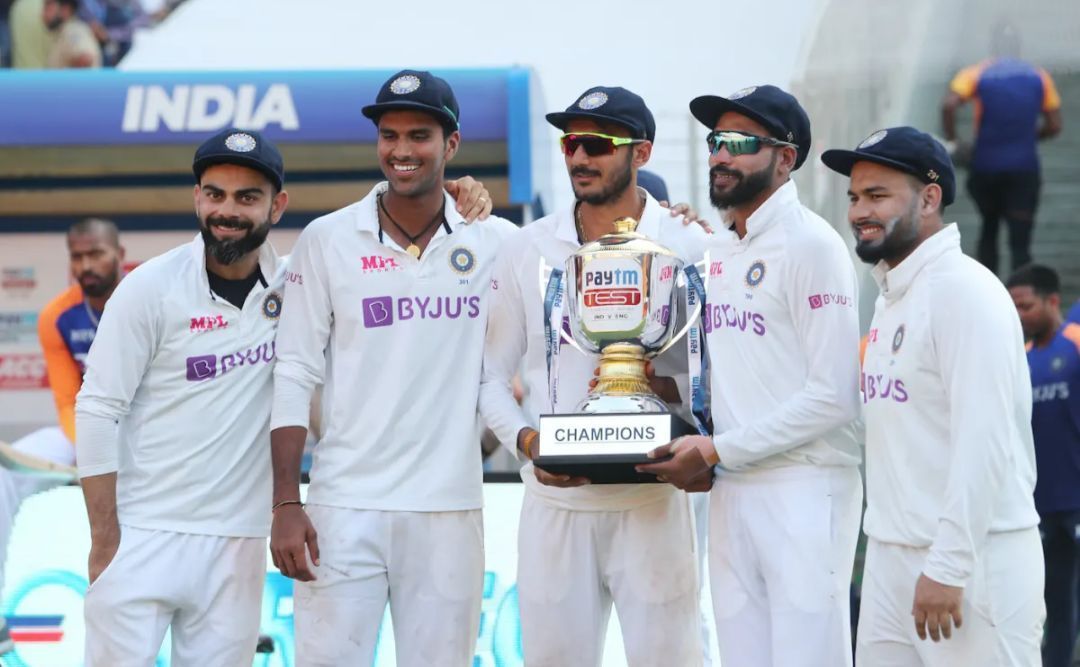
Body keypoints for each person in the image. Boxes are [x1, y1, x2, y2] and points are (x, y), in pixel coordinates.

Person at [268, 69, 516, 667]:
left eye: (419, 135)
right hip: (342, 505)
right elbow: (295, 371)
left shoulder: (498, 242)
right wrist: (284, 504)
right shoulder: (327, 240)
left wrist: (675, 220)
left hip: (447, 507)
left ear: (451, 145)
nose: (402, 150)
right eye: (390, 134)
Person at [480, 85, 707, 666]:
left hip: (652, 502)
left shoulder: (690, 244)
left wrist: (670, 398)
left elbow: (714, 376)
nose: (580, 157)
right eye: (571, 143)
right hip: (556, 507)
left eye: (598, 144)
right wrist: (530, 444)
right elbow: (487, 378)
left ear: (643, 153)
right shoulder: (529, 247)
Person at [638, 84, 863, 667]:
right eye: (716, 141)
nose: (719, 155)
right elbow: (730, 376)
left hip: (804, 487)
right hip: (732, 488)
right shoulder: (719, 253)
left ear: (785, 158)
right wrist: (668, 391)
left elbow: (834, 397)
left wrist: (716, 450)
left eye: (739, 142)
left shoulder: (814, 245)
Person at [821, 126, 1044, 665]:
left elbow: (983, 443)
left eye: (877, 195)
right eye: (853, 197)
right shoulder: (894, 296)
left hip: (975, 561)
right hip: (891, 556)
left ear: (930, 197)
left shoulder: (966, 292)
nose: (858, 211)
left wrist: (948, 566)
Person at [0, 218, 123, 654]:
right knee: (6, 468)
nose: (87, 265)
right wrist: (90, 450)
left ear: (120, 255)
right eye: (77, 256)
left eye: (96, 254)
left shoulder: (146, 299)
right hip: (88, 427)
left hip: (151, 430)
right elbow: (68, 400)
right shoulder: (58, 315)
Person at [942, 22, 1062, 275]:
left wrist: (954, 141)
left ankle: (988, 296)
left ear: (994, 47)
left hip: (986, 167)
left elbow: (949, 105)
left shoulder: (976, 73)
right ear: (1018, 47)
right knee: (1021, 244)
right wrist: (1029, 137)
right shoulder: (1039, 76)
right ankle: (1023, 305)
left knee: (989, 228)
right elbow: (1054, 125)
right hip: (1023, 169)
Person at [1007, 263, 1080, 667]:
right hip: (1036, 500)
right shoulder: (1021, 358)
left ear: (1053, 301)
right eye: (1013, 307)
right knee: (1049, 597)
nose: (1019, 315)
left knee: (1068, 595)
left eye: (1026, 305)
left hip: (1075, 496)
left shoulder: (1076, 343)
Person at [42, 0, 101, 68]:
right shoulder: (64, 31)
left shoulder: (74, 30)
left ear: (65, 9)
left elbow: (85, 58)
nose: (43, 14)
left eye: (48, 7)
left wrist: (67, 78)